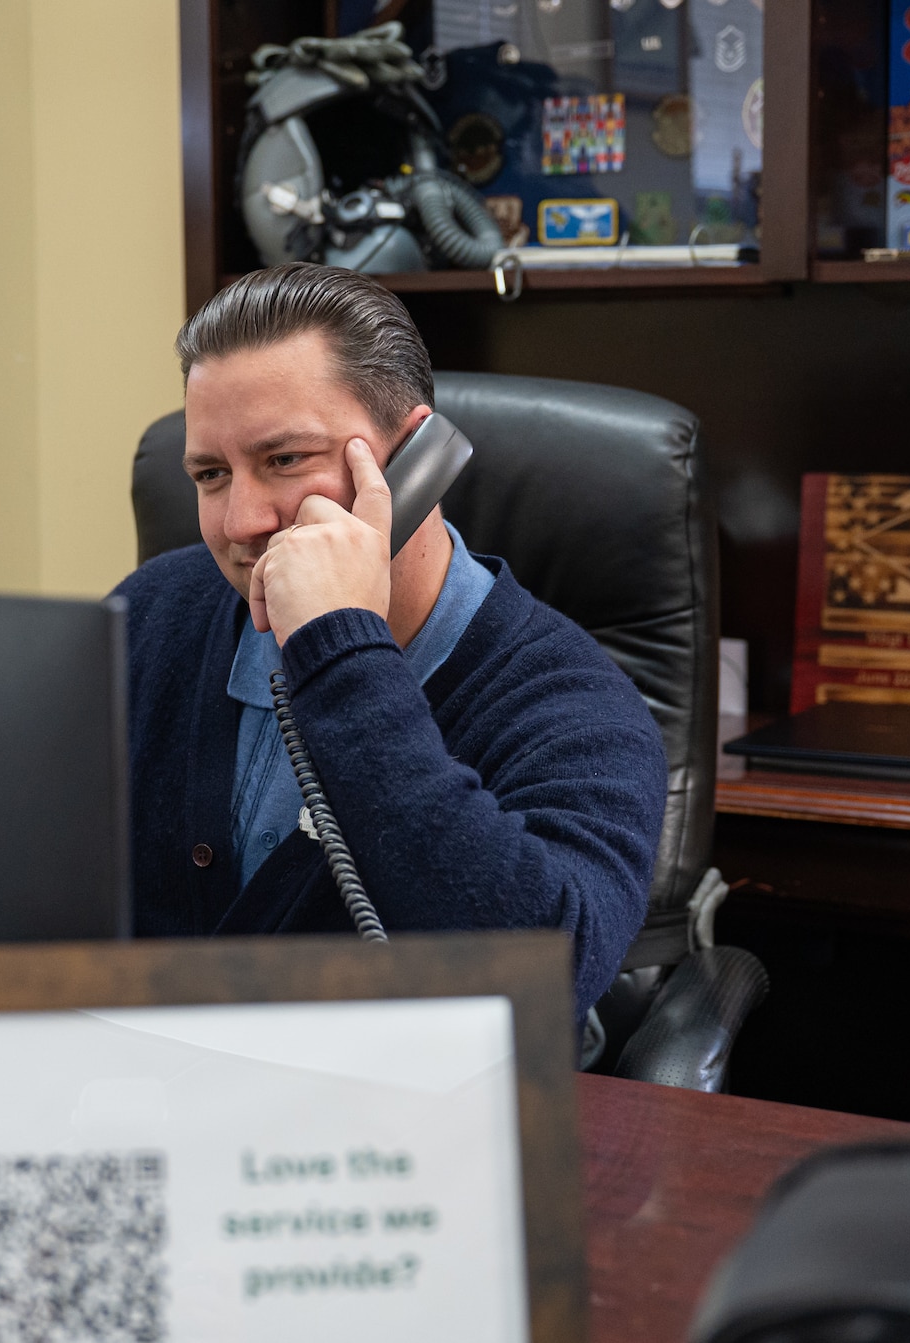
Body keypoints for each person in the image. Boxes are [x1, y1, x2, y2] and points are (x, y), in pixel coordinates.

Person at [112, 263, 667, 1015]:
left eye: (283, 460)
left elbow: (534, 980)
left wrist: (342, 650)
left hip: (402, 1122)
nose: (239, 520)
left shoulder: (577, 706)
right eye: (211, 473)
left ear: (415, 460)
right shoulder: (150, 615)